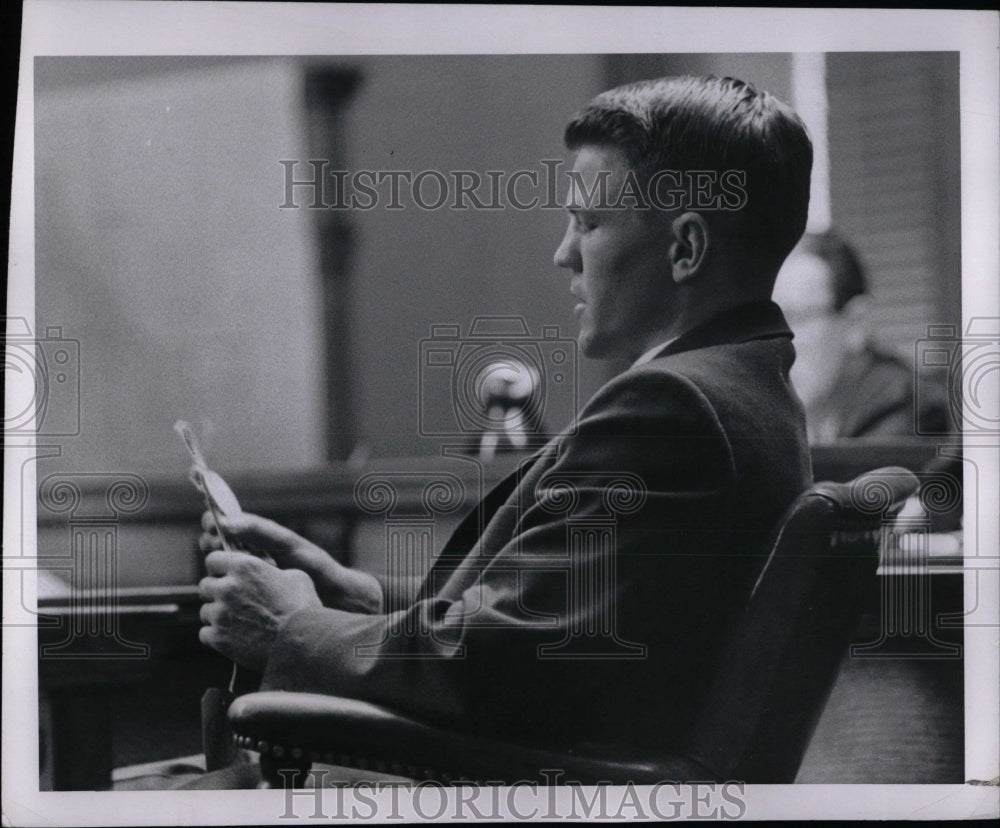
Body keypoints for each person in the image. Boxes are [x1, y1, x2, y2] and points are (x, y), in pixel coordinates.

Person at [162, 75, 815, 788]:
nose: (564, 253)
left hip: (501, 787)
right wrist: (356, 596)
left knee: (150, 790)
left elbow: (496, 671)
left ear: (686, 248)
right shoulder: (747, 395)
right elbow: (537, 626)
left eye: (588, 224)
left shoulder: (674, 408)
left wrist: (292, 627)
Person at [771, 230, 950, 443]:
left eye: (797, 317)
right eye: (769, 321)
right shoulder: (809, 418)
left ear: (855, 323)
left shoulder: (907, 411)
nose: (775, 344)